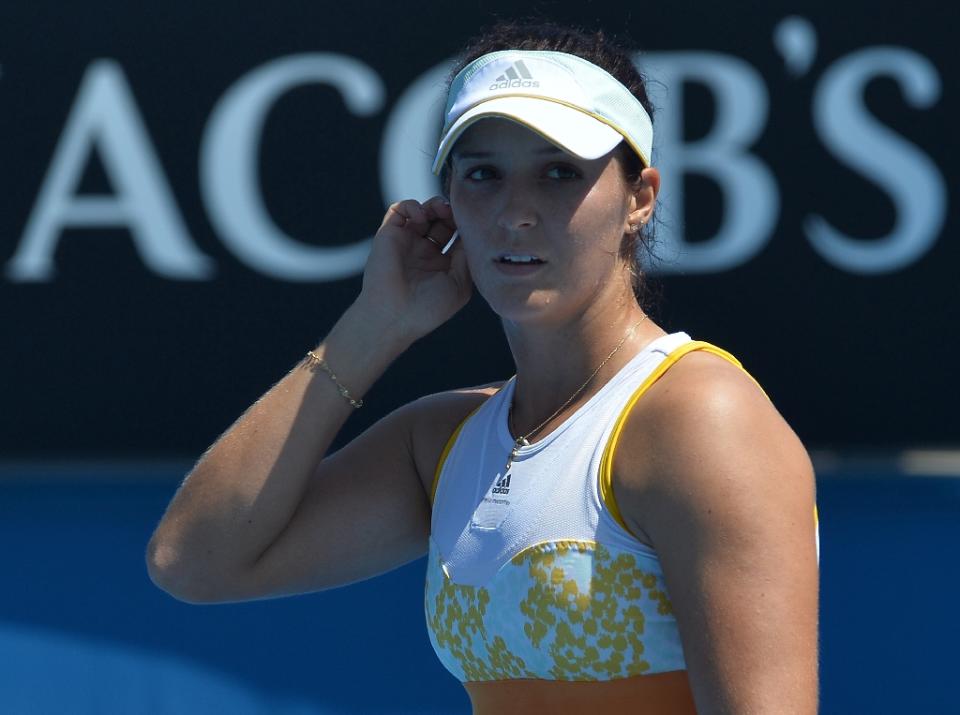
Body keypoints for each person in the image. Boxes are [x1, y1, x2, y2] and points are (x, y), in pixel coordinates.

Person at [147, 21, 819, 715]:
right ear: (448, 200)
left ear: (639, 198)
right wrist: (374, 325)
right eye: (482, 174)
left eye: (560, 171)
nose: (514, 213)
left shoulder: (702, 419)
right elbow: (192, 559)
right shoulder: (443, 443)